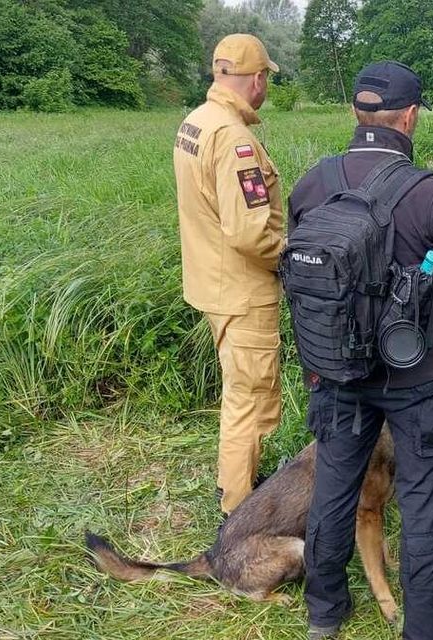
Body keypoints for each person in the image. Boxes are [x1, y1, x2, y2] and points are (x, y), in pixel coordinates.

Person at [288, 61, 433, 640]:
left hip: (335, 371)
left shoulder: (312, 183)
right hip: (421, 378)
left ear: (358, 114)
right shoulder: (432, 193)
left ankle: (325, 612)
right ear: (410, 117)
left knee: (334, 485)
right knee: (424, 505)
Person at [173, 34, 285, 515]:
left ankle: (235, 486)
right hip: (242, 291)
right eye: (267, 80)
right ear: (257, 79)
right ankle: (239, 510)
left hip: (213, 283)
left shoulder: (196, 122)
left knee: (239, 389)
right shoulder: (234, 138)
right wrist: (294, 259)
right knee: (252, 400)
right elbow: (250, 232)